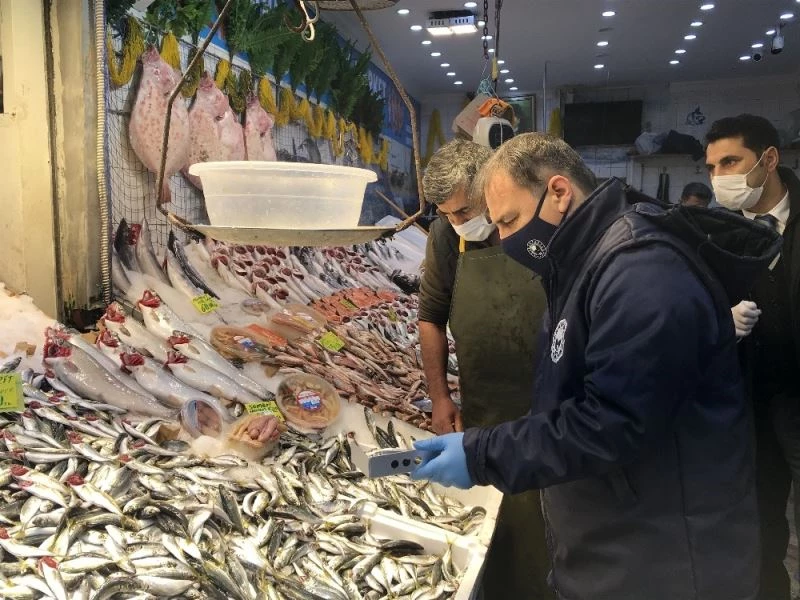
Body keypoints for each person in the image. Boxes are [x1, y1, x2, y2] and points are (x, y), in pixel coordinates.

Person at [412, 132, 782, 600]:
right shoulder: (582, 261)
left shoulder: (640, 272)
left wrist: (481, 455)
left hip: (667, 562)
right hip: (618, 542)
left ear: (560, 192)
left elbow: (612, 422)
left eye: (509, 220)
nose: (503, 240)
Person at [417, 138, 552, 599]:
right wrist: (439, 397)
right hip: (484, 412)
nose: (458, 223)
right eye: (447, 214)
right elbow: (430, 316)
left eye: (465, 210)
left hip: (552, 413)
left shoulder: (538, 224)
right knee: (493, 533)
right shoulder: (446, 237)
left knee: (551, 537)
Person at [706, 114, 800, 600]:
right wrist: (720, 321)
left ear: (769, 159)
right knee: (761, 525)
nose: (719, 177)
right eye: (712, 167)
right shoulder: (715, 235)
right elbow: (691, 311)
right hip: (751, 402)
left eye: (730, 162)